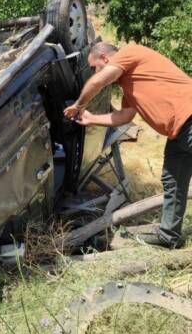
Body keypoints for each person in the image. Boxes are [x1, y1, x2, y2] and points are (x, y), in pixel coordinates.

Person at [65, 42, 192, 248]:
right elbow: (124, 116)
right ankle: (170, 237)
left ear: (106, 59)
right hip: (177, 133)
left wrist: (79, 105)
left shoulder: (131, 52)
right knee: (173, 181)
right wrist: (90, 119)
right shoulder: (131, 84)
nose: (93, 72)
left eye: (93, 66)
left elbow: (99, 81)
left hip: (190, 118)